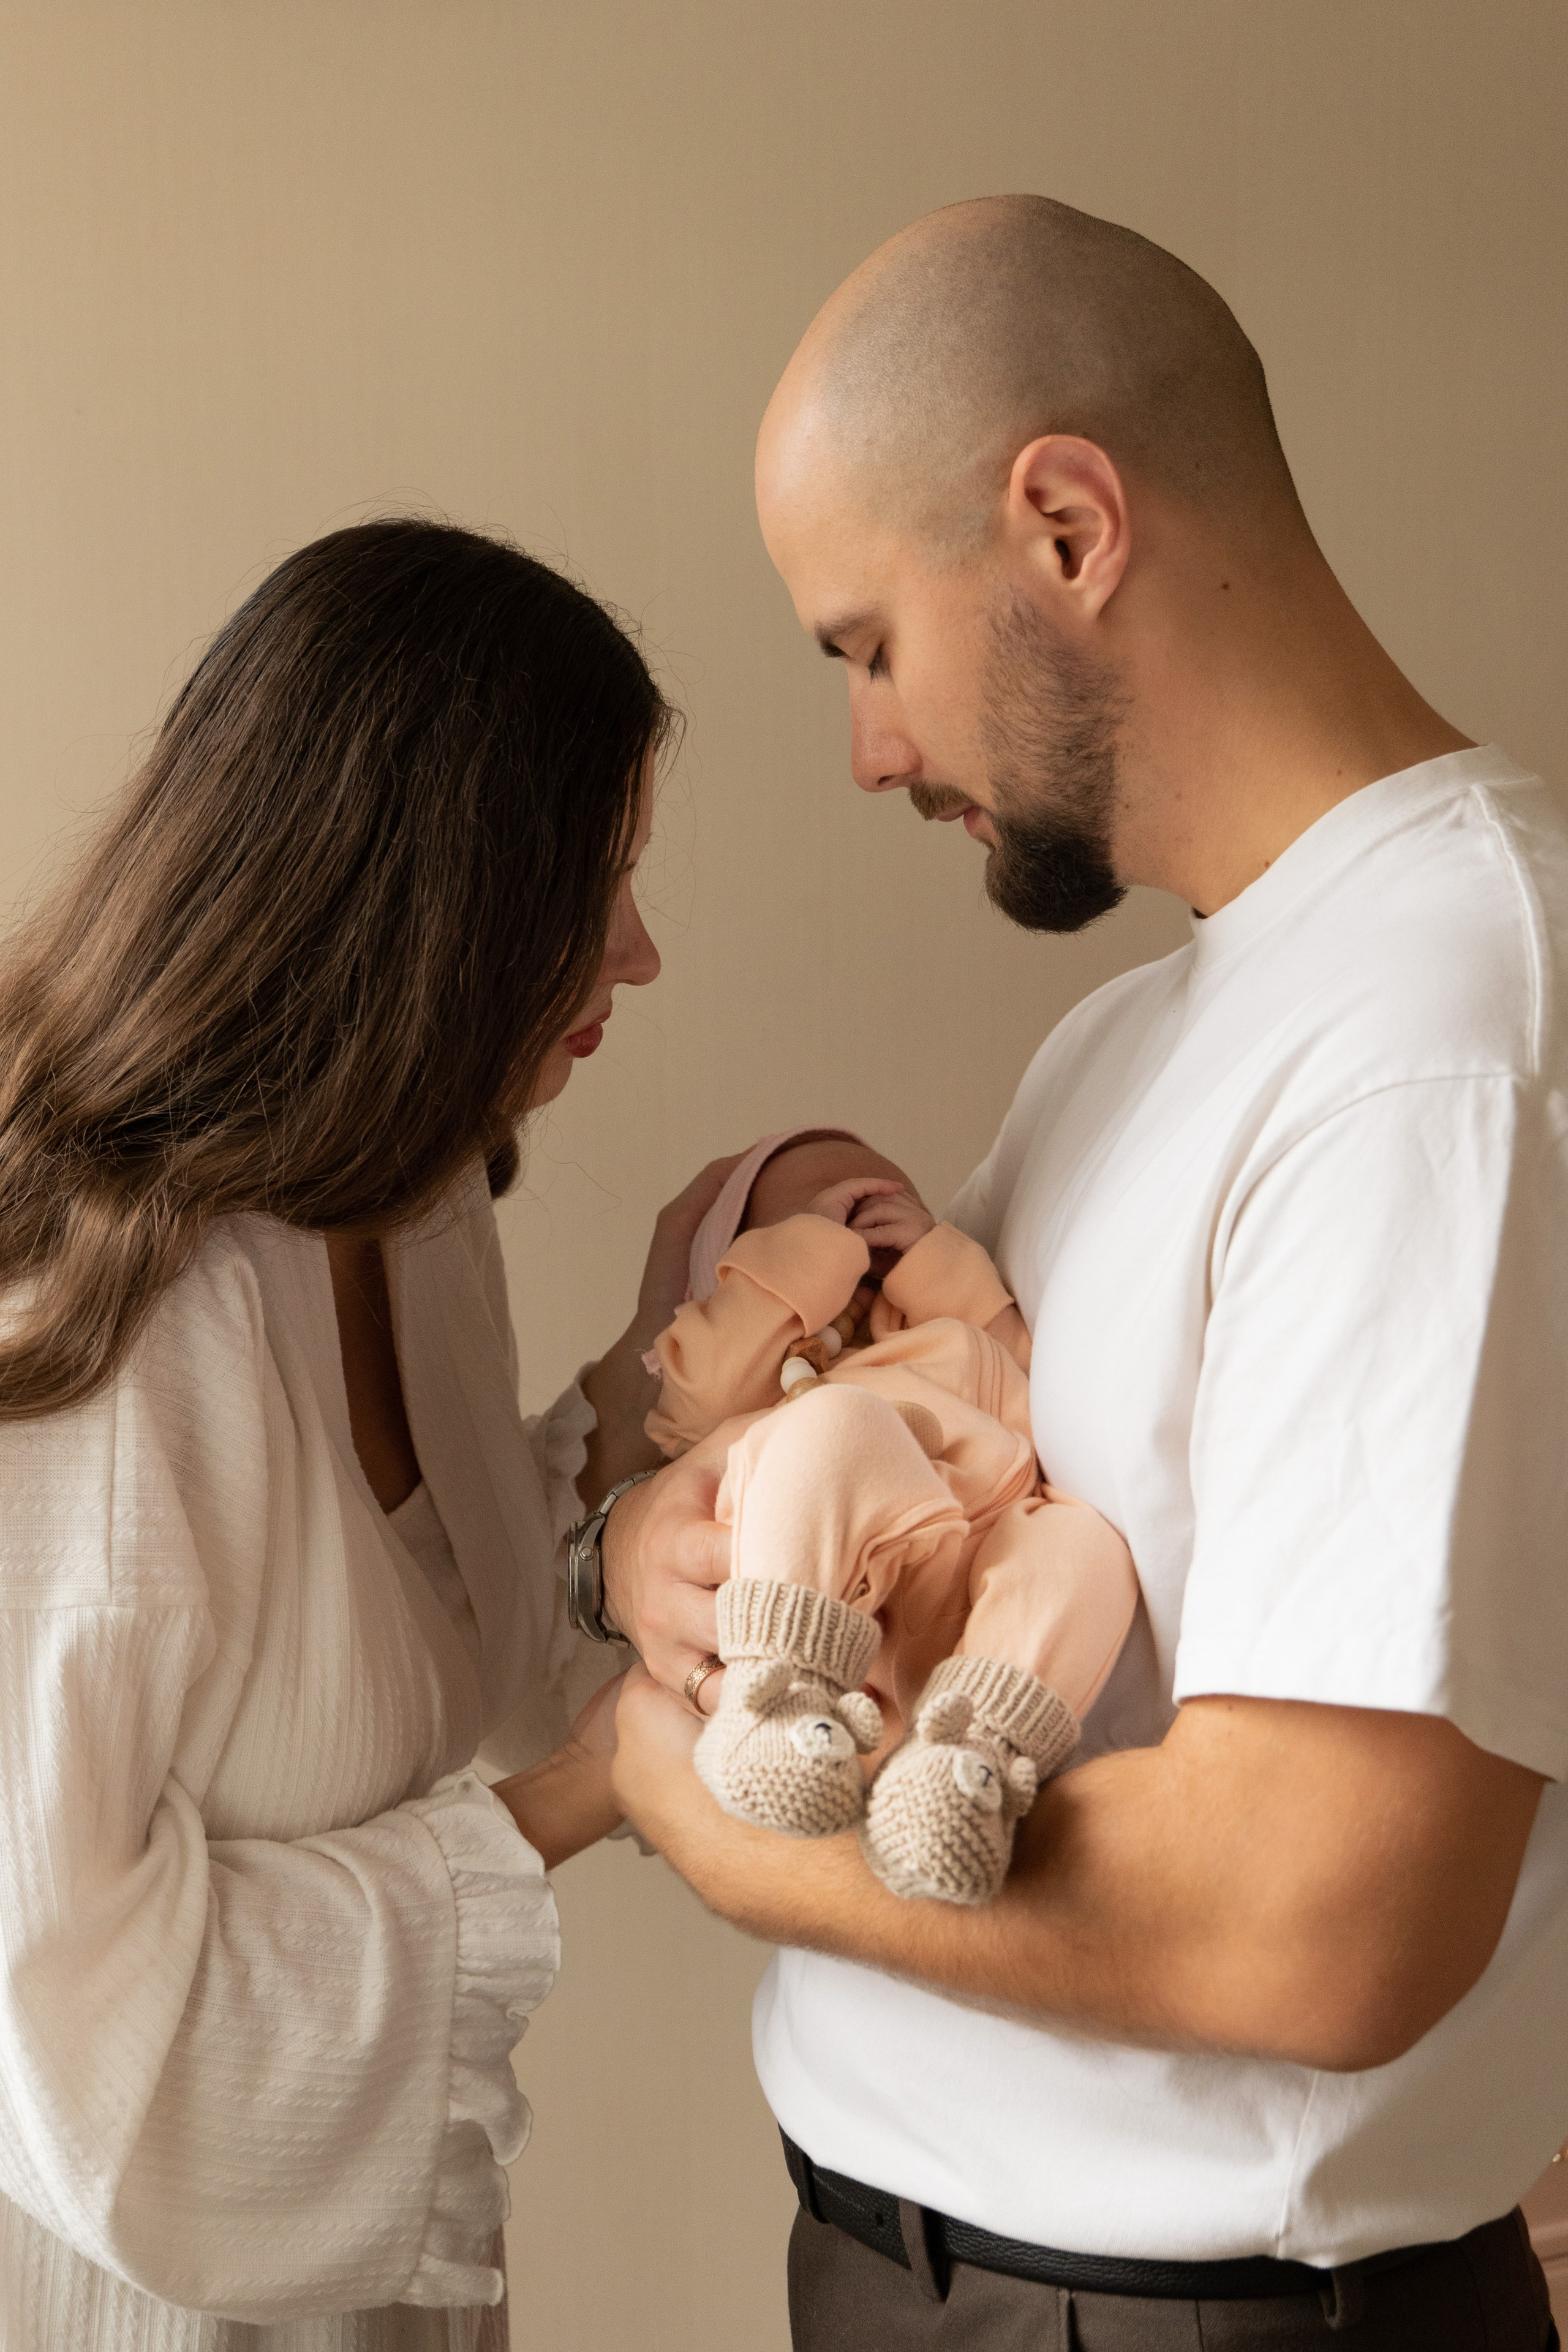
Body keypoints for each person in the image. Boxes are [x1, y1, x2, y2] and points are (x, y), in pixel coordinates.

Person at [603, 197, 1567, 2347]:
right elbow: (968, 1507)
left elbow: (1322, 1922)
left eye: (865, 646)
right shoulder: (1138, 1036)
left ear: (1062, 527)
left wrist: (703, 1815)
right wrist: (689, 1545)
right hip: (916, 2275)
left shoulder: (1442, 1034)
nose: (868, 748)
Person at [0, 518, 720, 2351]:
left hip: (364, 2291)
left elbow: (475, 1631)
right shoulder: (98, 1334)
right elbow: (86, 2049)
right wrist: (589, 1796)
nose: (637, 951)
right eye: (591, 878)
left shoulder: (406, 1204)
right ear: (432, 893)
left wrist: (669, 1354)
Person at [644, 1126, 1137, 1905]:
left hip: (971, 1576)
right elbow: (693, 1395)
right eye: (804, 1215)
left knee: (1086, 1544)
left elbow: (1039, 1382)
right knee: (839, 1423)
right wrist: (809, 1255)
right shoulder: (770, 1376)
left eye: (883, 1200)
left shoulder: (947, 1337)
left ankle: (962, 1764)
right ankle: (780, 1702)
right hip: (838, 1590)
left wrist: (941, 1268)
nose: (857, 1221)